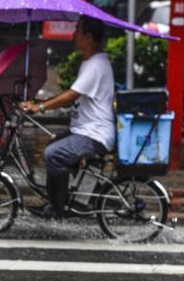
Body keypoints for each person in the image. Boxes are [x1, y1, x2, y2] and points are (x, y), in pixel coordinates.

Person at [19, 16, 115, 219]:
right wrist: (36, 101)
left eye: (77, 31)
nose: (73, 35)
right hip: (85, 130)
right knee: (53, 146)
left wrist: (40, 106)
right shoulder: (90, 62)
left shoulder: (96, 65)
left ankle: (57, 207)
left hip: (94, 134)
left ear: (88, 37)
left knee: (55, 154)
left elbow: (72, 94)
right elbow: (74, 93)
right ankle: (66, 200)